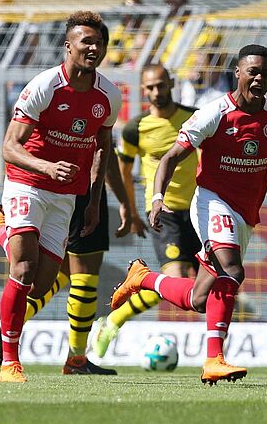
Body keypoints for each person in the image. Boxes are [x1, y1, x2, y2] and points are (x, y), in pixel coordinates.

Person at [108, 44, 267, 384]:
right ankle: (214, 360)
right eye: (253, 72)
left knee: (200, 298)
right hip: (211, 201)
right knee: (232, 269)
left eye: (266, 73)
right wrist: (157, 197)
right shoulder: (214, 113)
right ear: (238, 73)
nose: (259, 79)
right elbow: (170, 157)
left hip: (245, 212)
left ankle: (143, 278)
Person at [0, 11, 121, 383]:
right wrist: (46, 167)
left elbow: (102, 147)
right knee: (23, 269)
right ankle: (10, 362)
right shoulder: (45, 86)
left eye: (99, 43)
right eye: (86, 42)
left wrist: (94, 201)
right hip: (27, 183)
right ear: (68, 46)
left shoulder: (108, 95)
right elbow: (9, 147)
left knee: (42, 283)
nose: (93, 49)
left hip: (66, 195)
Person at [90, 64, 202, 358]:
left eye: (160, 85)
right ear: (143, 90)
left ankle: (218, 353)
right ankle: (113, 321)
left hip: (199, 213)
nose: (156, 92)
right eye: (150, 87)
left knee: (204, 290)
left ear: (171, 84)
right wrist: (131, 211)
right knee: (177, 280)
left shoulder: (194, 119)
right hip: (165, 213)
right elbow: (124, 173)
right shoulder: (135, 128)